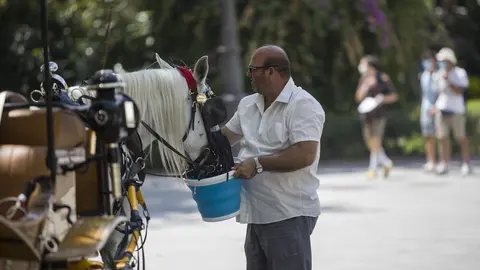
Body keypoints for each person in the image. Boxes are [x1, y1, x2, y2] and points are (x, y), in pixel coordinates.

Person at [221, 45, 325, 270]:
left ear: (271, 71)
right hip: (256, 214)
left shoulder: (303, 105)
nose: (249, 75)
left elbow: (305, 154)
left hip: (288, 214)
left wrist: (257, 164)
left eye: (252, 69)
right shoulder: (248, 105)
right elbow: (222, 141)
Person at [355, 55, 398, 179]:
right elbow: (358, 97)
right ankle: (386, 163)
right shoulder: (363, 79)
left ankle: (373, 169)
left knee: (376, 140)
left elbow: (394, 95)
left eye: (363, 64)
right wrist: (364, 87)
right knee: (370, 142)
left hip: (379, 114)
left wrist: (383, 98)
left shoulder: (382, 78)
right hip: (366, 114)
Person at [433, 47, 472, 175]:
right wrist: (435, 106)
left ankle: (466, 163)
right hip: (442, 110)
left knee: (461, 137)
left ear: (450, 60)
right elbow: (438, 92)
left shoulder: (460, 73)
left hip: (456, 111)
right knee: (442, 138)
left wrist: (448, 80)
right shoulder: (438, 74)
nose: (442, 63)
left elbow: (458, 91)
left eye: (444, 60)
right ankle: (444, 163)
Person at [419, 51, 440, 172]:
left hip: (437, 107)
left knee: (440, 136)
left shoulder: (438, 75)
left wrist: (436, 107)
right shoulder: (424, 75)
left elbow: (439, 93)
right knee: (428, 135)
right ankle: (430, 161)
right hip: (426, 108)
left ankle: (441, 161)